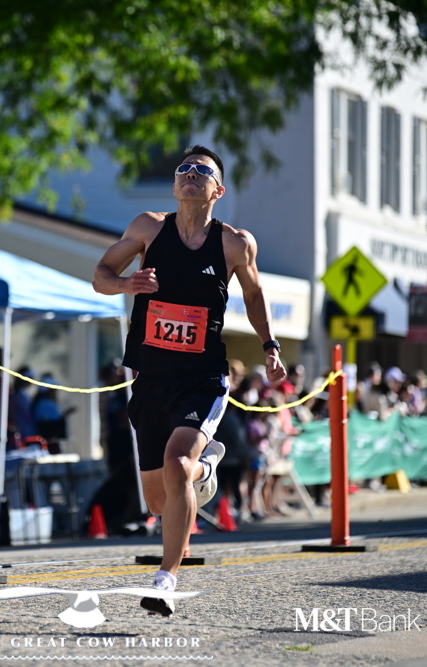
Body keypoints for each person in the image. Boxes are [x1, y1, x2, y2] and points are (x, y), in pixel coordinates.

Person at [92, 145, 287, 616]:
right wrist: (127, 285)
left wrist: (270, 346)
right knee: (159, 501)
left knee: (177, 462)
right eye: (184, 169)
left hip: (201, 378)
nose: (191, 174)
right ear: (175, 185)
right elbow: (101, 275)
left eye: (203, 171)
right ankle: (205, 469)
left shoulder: (234, 243)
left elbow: (255, 295)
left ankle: (165, 580)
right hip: (151, 377)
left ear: (218, 190)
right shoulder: (147, 228)